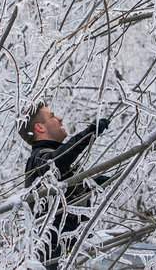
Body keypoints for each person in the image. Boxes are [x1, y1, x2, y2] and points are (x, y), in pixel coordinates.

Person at [19, 103, 110, 269]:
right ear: (40, 127)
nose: (59, 118)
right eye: (52, 116)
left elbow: (67, 191)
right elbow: (56, 163)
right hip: (49, 257)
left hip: (67, 253)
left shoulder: (57, 161)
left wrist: (93, 184)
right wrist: (87, 135)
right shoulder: (39, 159)